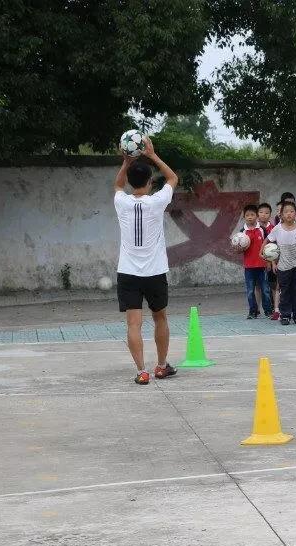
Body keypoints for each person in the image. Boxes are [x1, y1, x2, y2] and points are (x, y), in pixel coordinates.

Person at [112, 137, 178, 384]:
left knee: (133, 323)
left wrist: (126, 162)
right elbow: (172, 179)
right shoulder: (156, 202)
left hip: (128, 272)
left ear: (130, 181)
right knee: (160, 317)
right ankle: (161, 366)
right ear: (150, 183)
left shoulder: (122, 202)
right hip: (154, 272)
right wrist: (152, 155)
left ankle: (141, 371)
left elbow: (117, 187)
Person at [265, 201, 296, 325]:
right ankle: (285, 315)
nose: (289, 214)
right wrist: (268, 258)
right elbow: (268, 242)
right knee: (285, 291)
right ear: (281, 215)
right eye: (286, 212)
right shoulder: (277, 229)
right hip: (283, 267)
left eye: (291, 211)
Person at [240, 204, 272, 319]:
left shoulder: (262, 230)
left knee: (265, 289)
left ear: (256, 216)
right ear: (244, 217)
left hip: (262, 265)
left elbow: (268, 247)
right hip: (249, 267)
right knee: (250, 291)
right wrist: (238, 249)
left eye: (252, 215)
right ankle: (252, 311)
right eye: (247, 215)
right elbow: (238, 249)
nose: (250, 217)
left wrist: (268, 262)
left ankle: (268, 311)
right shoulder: (242, 232)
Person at [257, 202, 280, 320]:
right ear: (257, 214)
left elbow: (273, 248)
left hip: (272, 263)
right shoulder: (255, 228)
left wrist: (271, 262)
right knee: (259, 286)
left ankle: (272, 308)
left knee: (272, 285)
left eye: (266, 213)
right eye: (261, 212)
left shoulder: (274, 228)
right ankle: (257, 309)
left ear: (270, 215)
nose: (263, 215)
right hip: (257, 263)